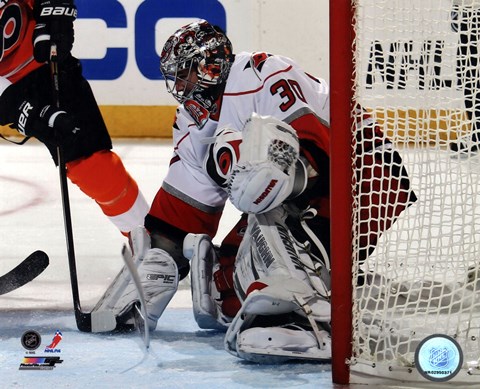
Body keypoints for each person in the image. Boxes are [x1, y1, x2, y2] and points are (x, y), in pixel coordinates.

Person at [95, 20, 416, 362]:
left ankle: (310, 316)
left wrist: (270, 181)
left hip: (365, 175)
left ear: (210, 65)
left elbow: (315, 156)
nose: (179, 85)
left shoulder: (262, 74)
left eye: (185, 72)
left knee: (267, 186)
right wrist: (151, 270)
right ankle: (320, 283)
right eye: (175, 76)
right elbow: (179, 219)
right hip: (308, 193)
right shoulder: (192, 124)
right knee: (226, 288)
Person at [0, 0, 149, 236]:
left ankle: (150, 246)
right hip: (6, 89)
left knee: (94, 167)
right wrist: (21, 110)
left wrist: (55, 8)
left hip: (42, 63)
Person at [450, 0, 480, 153]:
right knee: (468, 76)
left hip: (474, 12)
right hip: (466, 11)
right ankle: (477, 133)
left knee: (472, 75)